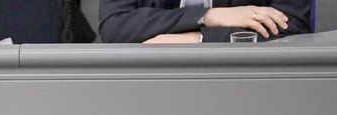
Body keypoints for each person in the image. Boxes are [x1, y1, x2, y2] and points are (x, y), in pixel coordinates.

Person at [99, 0, 310, 43]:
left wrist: (198, 39)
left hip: (243, 84)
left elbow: (292, 29)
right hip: (149, 87)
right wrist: (209, 16)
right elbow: (115, 25)